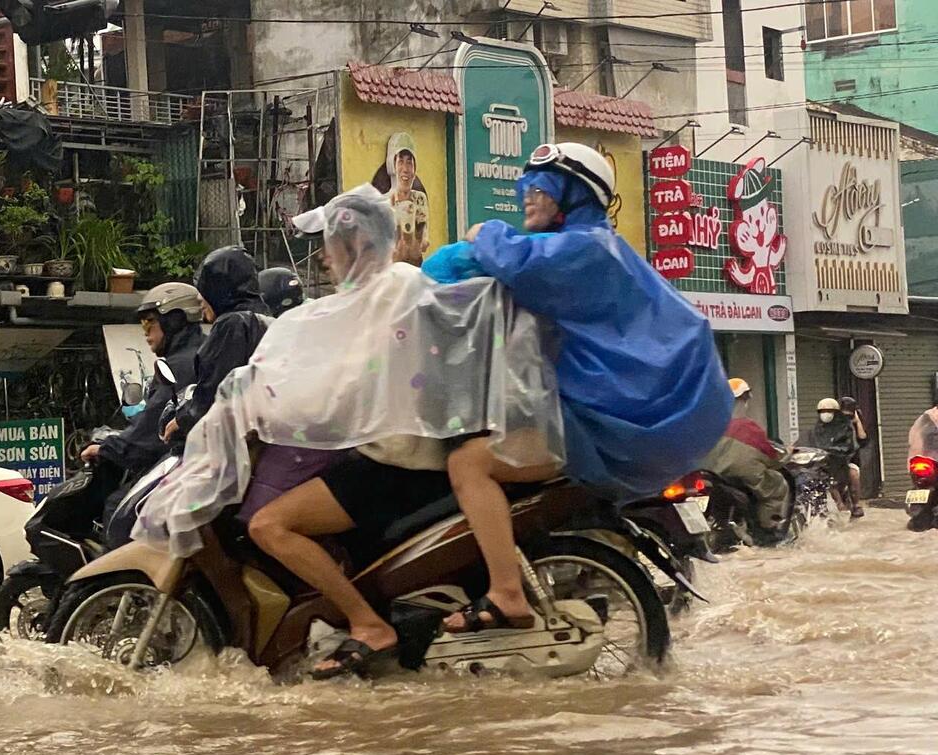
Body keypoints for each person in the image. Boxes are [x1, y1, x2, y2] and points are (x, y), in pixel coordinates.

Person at [138, 186, 566, 678]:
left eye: (331, 246)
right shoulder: (382, 291)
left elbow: (335, 378)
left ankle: (368, 624)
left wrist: (257, 397)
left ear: (356, 244)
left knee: (267, 526)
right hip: (397, 453)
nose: (324, 258)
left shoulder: (387, 293)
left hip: (402, 462)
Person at [427, 142, 731, 634]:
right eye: (524, 187)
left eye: (538, 188)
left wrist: (482, 232)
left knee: (468, 463)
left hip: (608, 425)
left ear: (573, 194)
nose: (525, 198)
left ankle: (506, 594)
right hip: (622, 421)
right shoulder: (595, 248)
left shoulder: (584, 248)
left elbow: (507, 259)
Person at [84, 282, 204, 475]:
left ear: (173, 320)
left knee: (116, 504)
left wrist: (106, 449)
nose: (145, 333)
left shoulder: (181, 365)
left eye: (149, 322)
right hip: (195, 462)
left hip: (184, 466)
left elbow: (151, 431)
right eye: (142, 325)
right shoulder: (202, 352)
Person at [163, 247, 271, 445]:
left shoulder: (232, 324)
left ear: (219, 288)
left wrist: (183, 420)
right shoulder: (266, 320)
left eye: (205, 289)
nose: (199, 299)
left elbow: (216, 387)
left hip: (233, 441)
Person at [700, 377, 790, 534]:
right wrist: (787, 454)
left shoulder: (708, 425)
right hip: (740, 479)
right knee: (776, 483)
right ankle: (767, 529)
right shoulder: (749, 429)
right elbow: (772, 459)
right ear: (745, 399)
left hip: (709, 475)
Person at [371, 132, 430, 266]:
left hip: (415, 270)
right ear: (393, 165)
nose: (405, 169)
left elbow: (423, 241)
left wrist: (419, 241)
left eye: (410, 162)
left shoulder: (419, 199)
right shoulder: (383, 204)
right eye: (401, 162)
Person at [811, 396, 866, 517]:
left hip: (843, 461)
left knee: (853, 474)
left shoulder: (846, 427)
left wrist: (856, 423)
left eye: (829, 411)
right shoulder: (818, 428)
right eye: (823, 412)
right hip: (824, 463)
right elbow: (810, 440)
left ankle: (856, 504)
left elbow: (852, 443)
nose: (826, 414)